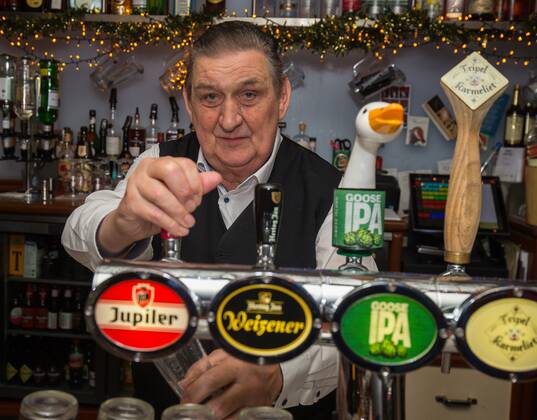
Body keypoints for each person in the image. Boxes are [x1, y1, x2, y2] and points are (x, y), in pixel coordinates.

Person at [62, 21, 376, 419]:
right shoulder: (161, 162)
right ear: (189, 104)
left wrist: (279, 373)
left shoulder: (333, 190)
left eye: (249, 94)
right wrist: (123, 222)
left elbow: (358, 316)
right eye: (210, 97)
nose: (229, 120)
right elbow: (78, 230)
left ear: (282, 98)